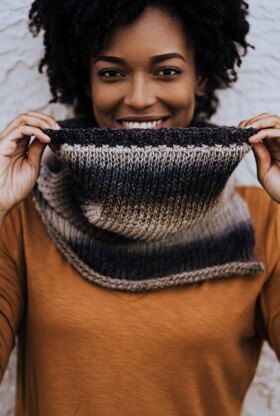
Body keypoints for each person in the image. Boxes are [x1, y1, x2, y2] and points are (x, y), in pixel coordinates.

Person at [0, 1, 279, 415]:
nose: (140, 98)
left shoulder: (265, 220)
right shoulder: (23, 214)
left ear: (199, 77)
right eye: (112, 73)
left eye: (167, 71)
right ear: (88, 80)